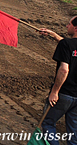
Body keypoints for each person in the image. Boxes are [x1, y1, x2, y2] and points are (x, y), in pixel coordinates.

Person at [38, 17, 77, 145]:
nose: (66, 26)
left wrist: (54, 92)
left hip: (64, 94)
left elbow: (64, 70)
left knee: (48, 123)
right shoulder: (66, 44)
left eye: (69, 24)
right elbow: (70, 47)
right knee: (74, 131)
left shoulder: (66, 44)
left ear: (75, 28)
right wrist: (54, 35)